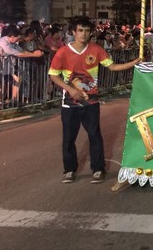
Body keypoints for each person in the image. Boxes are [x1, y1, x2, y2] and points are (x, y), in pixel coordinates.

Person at [48, 17, 141, 184]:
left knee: (94, 135)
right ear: (73, 32)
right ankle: (69, 170)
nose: (83, 34)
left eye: (87, 31)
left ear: (91, 33)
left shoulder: (96, 50)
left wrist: (134, 63)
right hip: (69, 104)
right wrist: (70, 90)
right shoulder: (62, 52)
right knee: (69, 138)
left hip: (91, 103)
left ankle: (98, 169)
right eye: (80, 30)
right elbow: (53, 75)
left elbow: (112, 67)